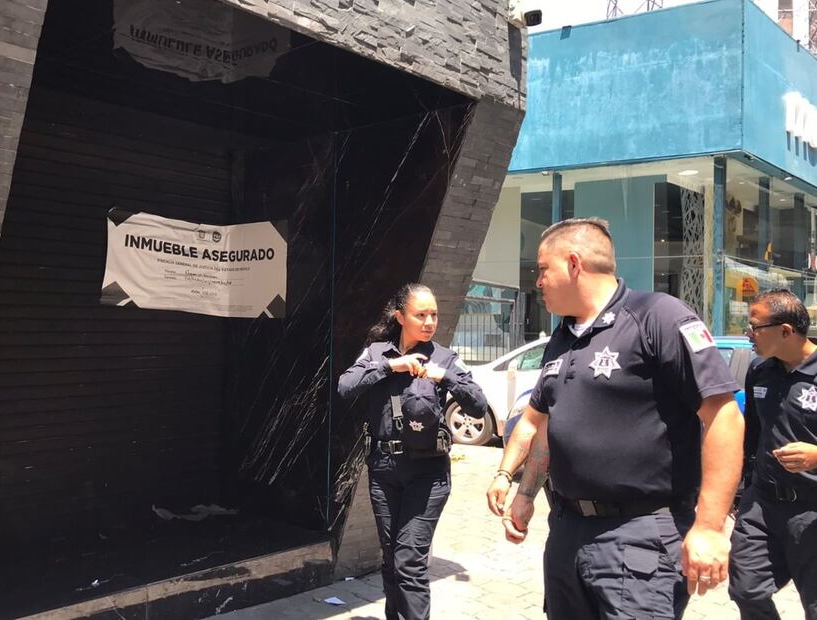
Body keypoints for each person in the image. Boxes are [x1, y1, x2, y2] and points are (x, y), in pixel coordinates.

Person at [485, 217, 745, 619]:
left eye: (543, 269)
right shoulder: (562, 337)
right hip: (568, 529)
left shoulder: (658, 316)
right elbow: (546, 426)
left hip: (639, 535)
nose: (538, 281)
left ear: (574, 264)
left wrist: (710, 527)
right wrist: (524, 493)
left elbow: (724, 415)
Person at [338, 283, 486, 620]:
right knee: (391, 559)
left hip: (427, 474)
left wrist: (444, 377)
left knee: (409, 561)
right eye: (421, 315)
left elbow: (478, 405)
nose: (430, 321)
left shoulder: (445, 358)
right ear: (400, 317)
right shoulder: (377, 353)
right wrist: (392, 366)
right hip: (383, 470)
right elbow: (345, 386)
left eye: (434, 314)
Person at [729, 288, 817, 619]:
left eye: (755, 326)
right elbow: (752, 433)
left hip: (811, 509)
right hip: (762, 503)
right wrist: (740, 490)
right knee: (746, 589)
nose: (748, 334)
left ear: (786, 331)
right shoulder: (759, 370)